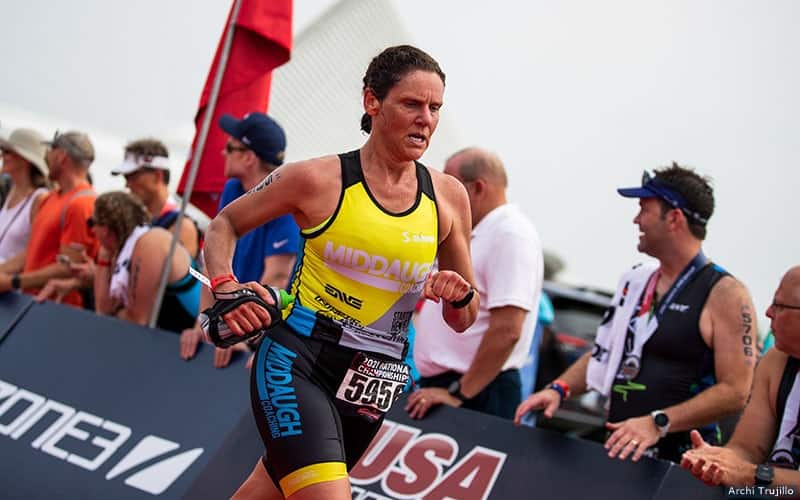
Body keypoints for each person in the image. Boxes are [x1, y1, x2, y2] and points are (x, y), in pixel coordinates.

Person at [202, 45, 478, 500]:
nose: (425, 119)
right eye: (411, 104)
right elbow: (223, 225)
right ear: (372, 101)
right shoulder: (316, 179)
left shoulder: (448, 196)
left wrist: (459, 295)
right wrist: (226, 288)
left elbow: (464, 319)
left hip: (374, 379)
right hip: (299, 359)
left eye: (435, 108)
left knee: (266, 494)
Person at [514, 164, 757, 464]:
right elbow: (605, 353)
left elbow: (736, 391)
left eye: (644, 209)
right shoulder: (637, 281)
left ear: (674, 218)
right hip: (622, 451)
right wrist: (559, 389)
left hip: (681, 463)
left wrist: (659, 422)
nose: (636, 219)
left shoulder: (726, 293)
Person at [407, 147, 543, 420]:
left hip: (475, 391)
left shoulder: (510, 234)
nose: (442, 193)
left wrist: (459, 393)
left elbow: (508, 328)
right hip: (458, 387)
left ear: (478, 188)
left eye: (450, 184)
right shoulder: (481, 232)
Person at [179, 112, 300, 369]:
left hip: (275, 330)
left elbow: (277, 278)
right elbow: (212, 262)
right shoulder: (233, 189)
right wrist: (203, 325)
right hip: (242, 317)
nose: (223, 152)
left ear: (248, 158)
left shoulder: (285, 201)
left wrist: (242, 336)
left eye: (230, 147)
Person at [680, 266, 800, 491]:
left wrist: (751, 475)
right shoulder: (777, 361)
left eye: (779, 306)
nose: (768, 312)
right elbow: (747, 448)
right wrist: (716, 460)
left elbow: (747, 471)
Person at [0, 131, 97, 307]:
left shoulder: (81, 204)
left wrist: (13, 282)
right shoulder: (52, 198)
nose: (47, 157)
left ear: (61, 156)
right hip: (33, 305)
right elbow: (32, 251)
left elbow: (69, 268)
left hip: (56, 310)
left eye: (51, 151)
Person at [89, 191, 200, 333]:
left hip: (206, 338)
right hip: (175, 335)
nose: (92, 230)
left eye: (91, 223)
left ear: (105, 229)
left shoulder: (150, 243)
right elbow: (103, 310)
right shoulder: (123, 252)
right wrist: (103, 260)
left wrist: (116, 313)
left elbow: (137, 321)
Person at [111, 138, 200, 258]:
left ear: (157, 176)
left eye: (132, 177)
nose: (127, 185)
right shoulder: (135, 221)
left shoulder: (182, 226)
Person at [0, 128, 50, 269]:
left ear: (25, 159)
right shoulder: (10, 191)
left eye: (7, 151)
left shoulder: (40, 198)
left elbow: (35, 250)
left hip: (10, 280)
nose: (2, 156)